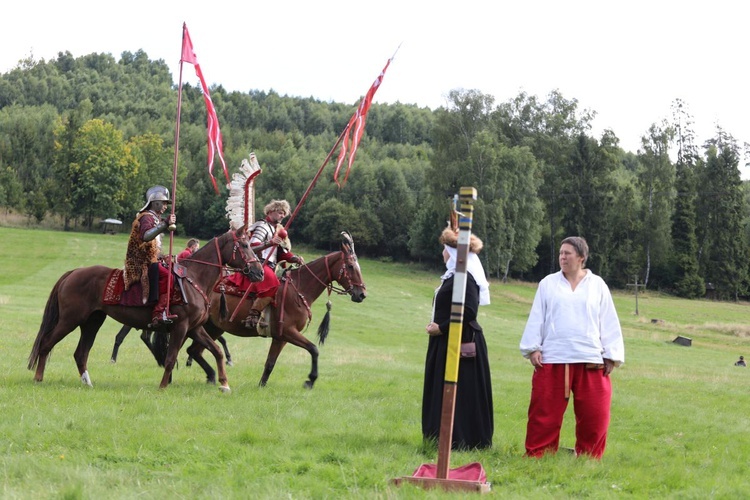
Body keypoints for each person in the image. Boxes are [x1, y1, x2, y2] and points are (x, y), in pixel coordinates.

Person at [519, 236, 625, 459]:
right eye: (560, 253)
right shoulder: (548, 283)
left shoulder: (597, 285)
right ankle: (539, 455)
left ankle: (589, 457)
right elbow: (538, 316)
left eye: (567, 253)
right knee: (544, 412)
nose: (562, 257)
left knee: (595, 414)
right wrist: (533, 348)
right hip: (553, 356)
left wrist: (611, 355)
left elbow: (608, 320)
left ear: (581, 258)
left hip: (590, 358)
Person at [422, 227, 493, 450]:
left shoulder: (466, 278)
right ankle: (440, 437)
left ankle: (463, 440)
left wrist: (441, 328)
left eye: (444, 250)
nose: (442, 254)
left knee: (461, 392)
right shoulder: (454, 276)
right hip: (445, 342)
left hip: (460, 344)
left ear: (452, 253)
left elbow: (469, 311)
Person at [242, 200, 304, 329]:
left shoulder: (276, 230)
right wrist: (269, 243)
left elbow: (281, 254)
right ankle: (253, 315)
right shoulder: (262, 226)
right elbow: (251, 248)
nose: (282, 216)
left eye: (284, 214)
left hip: (272, 265)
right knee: (273, 284)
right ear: (271, 211)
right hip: (258, 263)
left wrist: (295, 258)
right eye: (280, 213)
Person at [124, 185, 177, 328]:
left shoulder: (154, 218)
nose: (166, 206)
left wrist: (163, 257)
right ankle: (158, 312)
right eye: (164, 202)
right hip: (141, 262)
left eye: (167, 203)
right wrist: (165, 224)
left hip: (151, 259)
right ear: (155, 202)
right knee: (168, 276)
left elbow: (153, 247)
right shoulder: (146, 217)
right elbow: (146, 236)